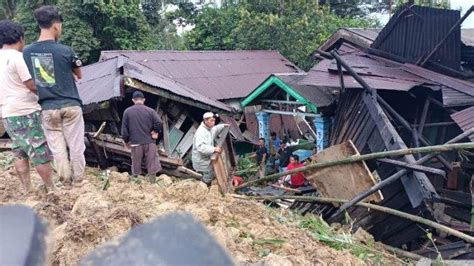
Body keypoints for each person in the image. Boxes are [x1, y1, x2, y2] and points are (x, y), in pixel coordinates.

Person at [23, 6, 85, 186]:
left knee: (57, 148)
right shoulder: (66, 50)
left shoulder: (26, 52)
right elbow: (79, 74)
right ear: (56, 26)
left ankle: (65, 181)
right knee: (76, 146)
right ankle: (79, 181)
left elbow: (29, 78)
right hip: (71, 105)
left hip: (48, 107)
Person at [0, 20, 56, 192]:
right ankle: (51, 188)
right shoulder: (18, 58)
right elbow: (31, 84)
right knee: (39, 151)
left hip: (8, 113)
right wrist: (49, 95)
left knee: (19, 150)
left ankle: (27, 189)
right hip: (26, 112)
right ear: (20, 38)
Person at [121, 91, 162, 182]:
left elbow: (124, 131)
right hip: (149, 142)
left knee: (136, 165)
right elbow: (159, 122)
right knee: (152, 164)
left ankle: (136, 183)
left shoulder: (127, 112)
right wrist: (155, 131)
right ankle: (152, 183)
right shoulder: (151, 111)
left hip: (135, 143)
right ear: (143, 100)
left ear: (133, 100)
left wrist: (126, 141)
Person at [192, 112, 228, 186]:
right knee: (209, 173)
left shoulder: (209, 128)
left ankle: (206, 183)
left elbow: (215, 129)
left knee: (213, 170)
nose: (213, 123)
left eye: (214, 121)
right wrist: (214, 149)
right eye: (211, 121)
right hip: (200, 160)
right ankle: (204, 186)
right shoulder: (201, 132)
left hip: (206, 158)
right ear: (205, 120)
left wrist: (223, 126)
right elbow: (201, 147)